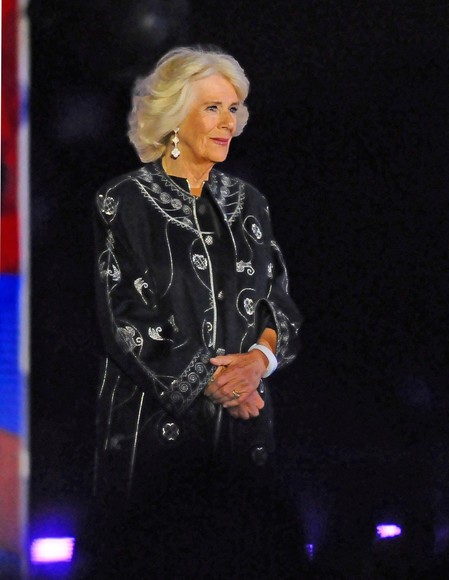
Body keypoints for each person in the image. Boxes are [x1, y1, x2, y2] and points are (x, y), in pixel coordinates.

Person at [76, 46, 304, 578]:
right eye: (212, 108)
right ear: (175, 115)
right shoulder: (123, 201)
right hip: (154, 427)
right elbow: (128, 318)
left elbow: (282, 306)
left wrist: (257, 365)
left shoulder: (251, 202)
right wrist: (213, 382)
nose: (229, 123)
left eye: (234, 108)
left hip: (244, 429)